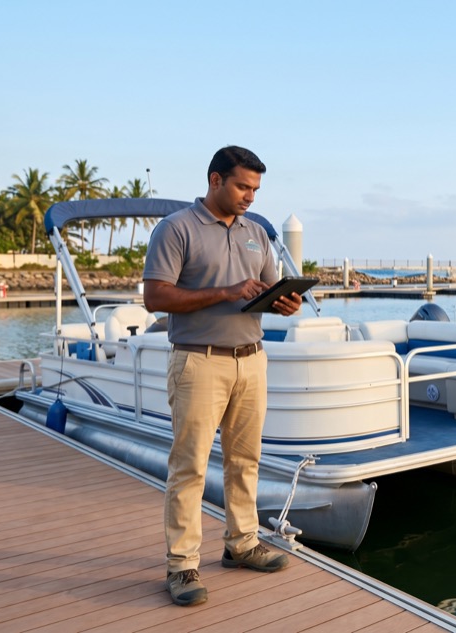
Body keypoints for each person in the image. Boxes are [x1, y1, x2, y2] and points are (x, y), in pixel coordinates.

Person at [143, 146, 302, 607]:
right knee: (189, 466)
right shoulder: (176, 229)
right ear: (215, 180)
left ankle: (242, 543)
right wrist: (226, 292)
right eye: (242, 186)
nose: (250, 196)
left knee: (245, 460)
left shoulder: (257, 234)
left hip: (252, 360)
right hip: (199, 360)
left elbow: (269, 290)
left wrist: (283, 302)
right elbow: (156, 296)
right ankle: (181, 565)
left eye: (255, 188)